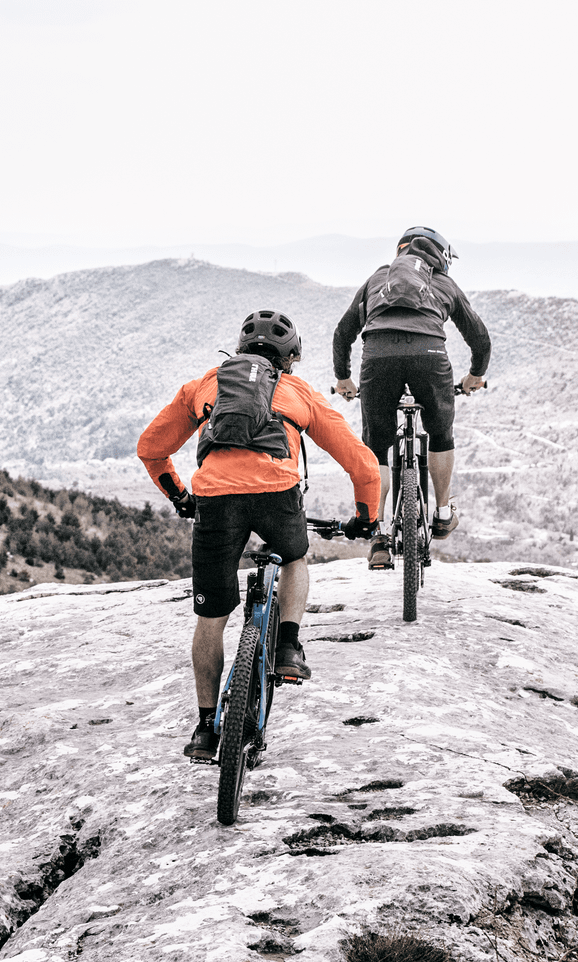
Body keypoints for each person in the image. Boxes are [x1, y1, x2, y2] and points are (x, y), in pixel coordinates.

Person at [138, 310, 381, 760]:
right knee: (294, 558)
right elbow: (362, 462)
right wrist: (366, 517)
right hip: (277, 494)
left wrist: (181, 496)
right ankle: (288, 646)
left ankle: (206, 728)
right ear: (290, 359)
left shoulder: (205, 385)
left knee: (211, 617)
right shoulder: (297, 391)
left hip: (215, 499)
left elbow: (151, 448)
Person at [332, 226, 491, 567]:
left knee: (377, 446)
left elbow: (343, 333)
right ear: (442, 256)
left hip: (377, 358)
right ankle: (444, 512)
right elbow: (479, 338)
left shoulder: (377, 280)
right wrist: (475, 375)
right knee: (441, 434)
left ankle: (378, 537)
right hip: (430, 357)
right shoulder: (444, 283)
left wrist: (344, 378)